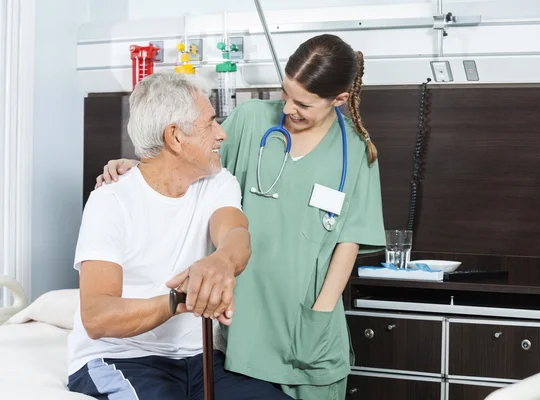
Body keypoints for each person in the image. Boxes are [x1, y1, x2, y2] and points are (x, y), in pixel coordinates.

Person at [95, 34, 386, 400]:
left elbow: (349, 240)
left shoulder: (356, 152)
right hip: (245, 326)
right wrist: (140, 168)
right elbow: (194, 162)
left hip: (308, 325)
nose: (289, 108)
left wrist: (321, 313)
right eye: (286, 93)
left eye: (303, 104)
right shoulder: (251, 121)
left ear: (339, 100)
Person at [67, 71, 291, 400]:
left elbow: (235, 234)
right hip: (120, 359)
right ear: (175, 136)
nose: (222, 134)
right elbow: (97, 317)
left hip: (201, 361)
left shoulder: (218, 182)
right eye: (210, 123)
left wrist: (220, 263)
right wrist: (182, 299)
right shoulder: (111, 201)